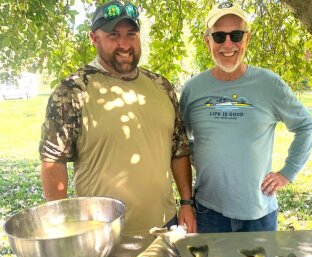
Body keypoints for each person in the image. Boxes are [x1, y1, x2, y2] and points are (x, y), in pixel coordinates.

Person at [39, 0, 196, 236]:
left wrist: (186, 202)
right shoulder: (73, 91)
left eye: (131, 34)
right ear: (94, 38)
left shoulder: (160, 85)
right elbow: (53, 159)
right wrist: (62, 223)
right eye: (114, 35)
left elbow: (179, 150)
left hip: (166, 225)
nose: (124, 44)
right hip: (103, 232)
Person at [179, 1, 312, 233]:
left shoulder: (269, 84)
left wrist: (288, 172)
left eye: (236, 35)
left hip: (259, 213)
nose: (228, 44)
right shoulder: (193, 89)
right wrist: (199, 151)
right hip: (208, 211)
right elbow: (180, 140)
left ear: (247, 39)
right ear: (208, 41)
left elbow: (305, 125)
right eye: (219, 36)